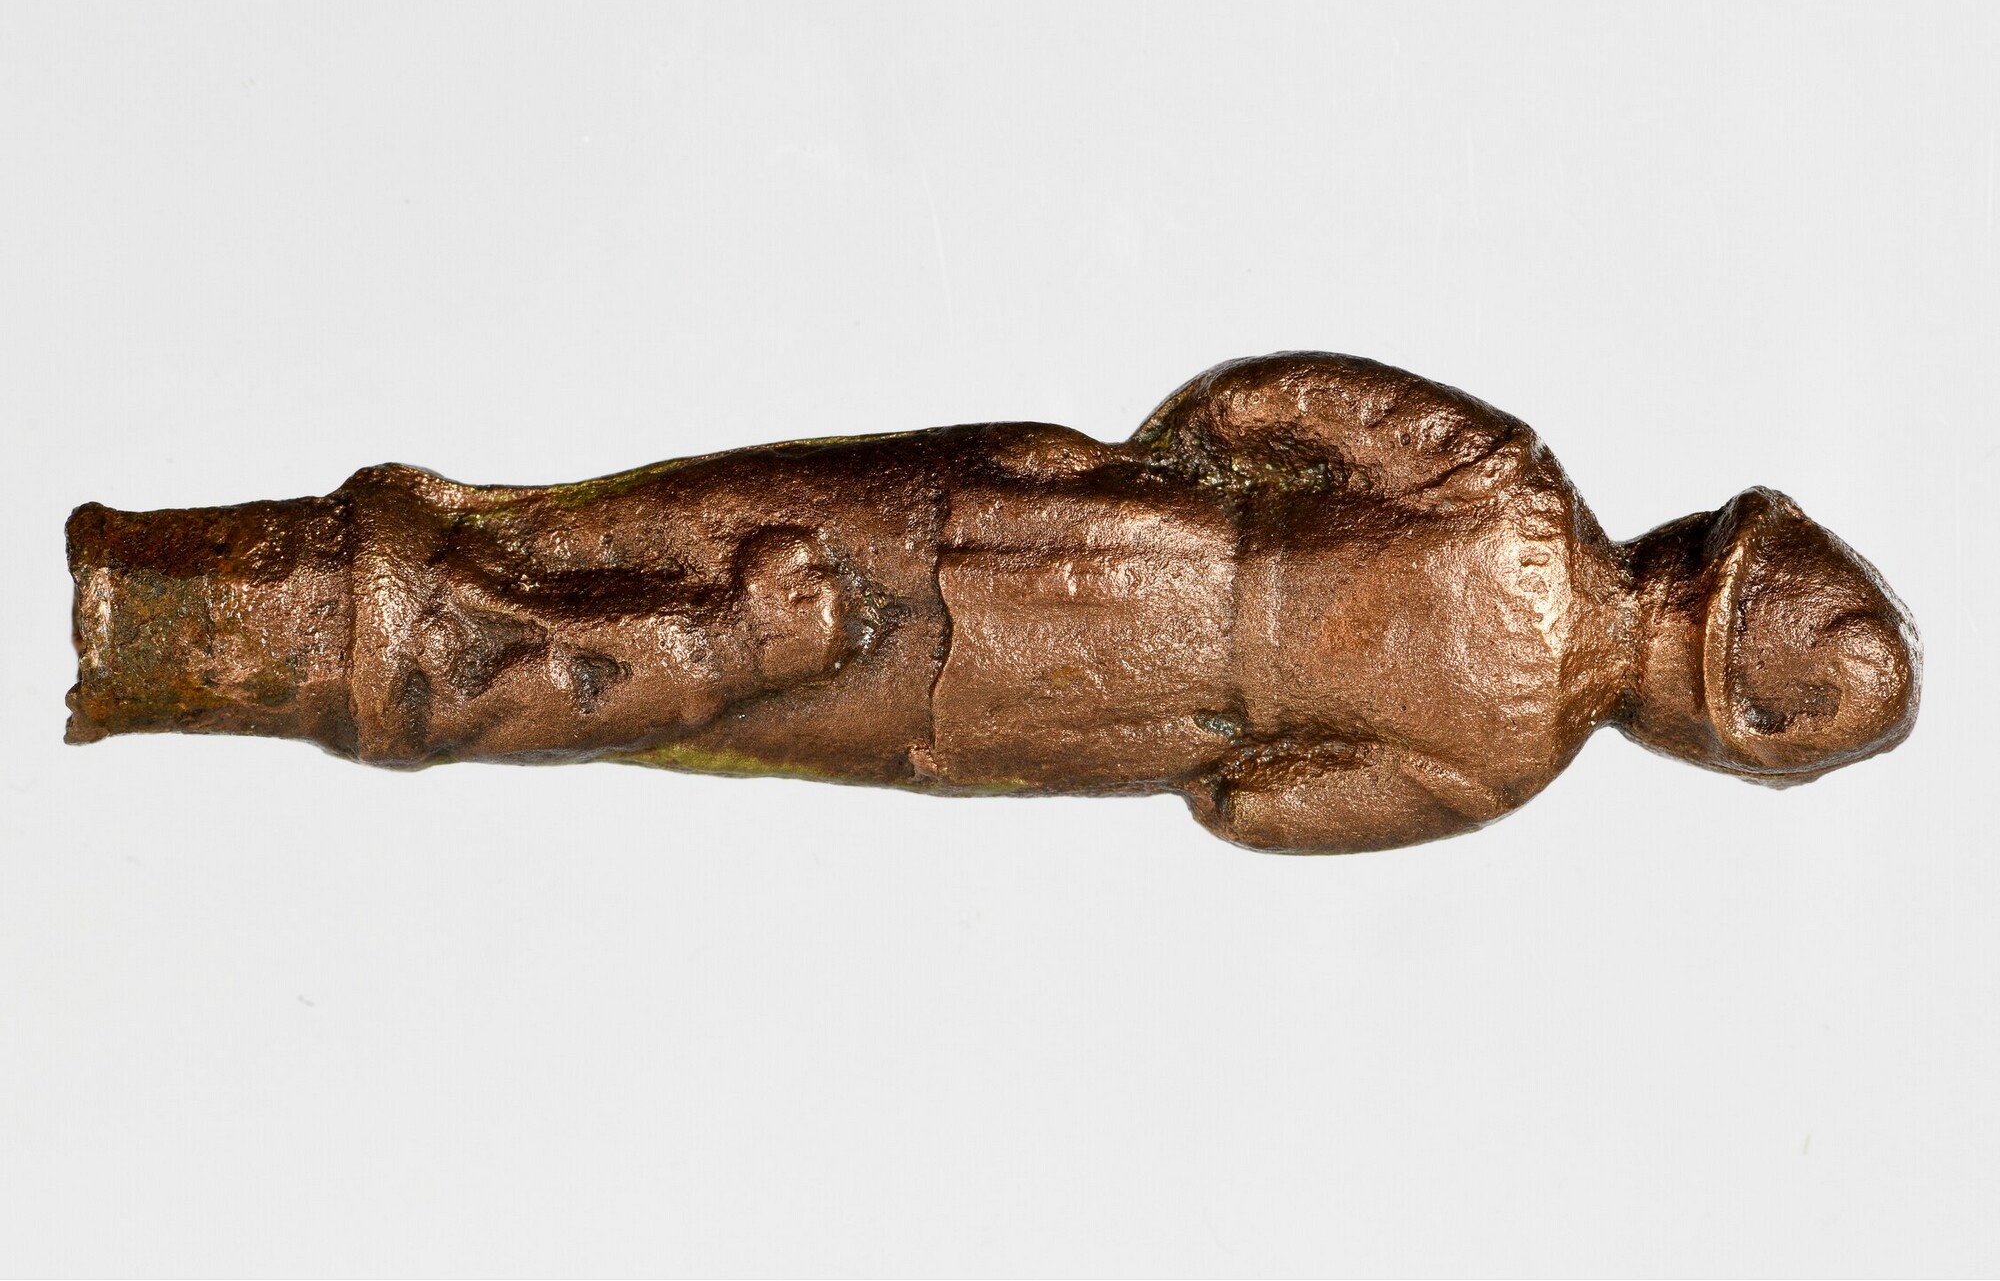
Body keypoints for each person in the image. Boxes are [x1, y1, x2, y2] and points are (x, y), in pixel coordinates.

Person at [66, 353, 1920, 853]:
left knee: (605, 531)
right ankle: (250, 646)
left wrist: (1136, 501)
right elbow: (1254, 808)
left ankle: (226, 589)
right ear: (1720, 727)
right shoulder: (1508, 762)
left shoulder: (1510, 481)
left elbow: (1252, 408)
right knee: (664, 695)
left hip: (1036, 526)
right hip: (1034, 714)